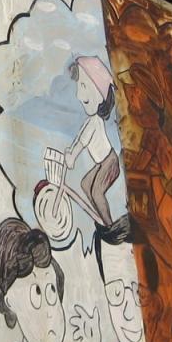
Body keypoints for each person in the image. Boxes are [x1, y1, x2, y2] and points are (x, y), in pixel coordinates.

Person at [65, 55, 122, 236]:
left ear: (99, 95)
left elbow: (82, 142)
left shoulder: (94, 121)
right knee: (85, 184)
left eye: (83, 86)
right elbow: (79, 138)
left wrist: (72, 156)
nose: (78, 94)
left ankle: (110, 226)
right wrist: (70, 151)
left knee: (97, 192)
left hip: (109, 162)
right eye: (79, 86)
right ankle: (100, 216)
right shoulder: (90, 121)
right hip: (102, 163)